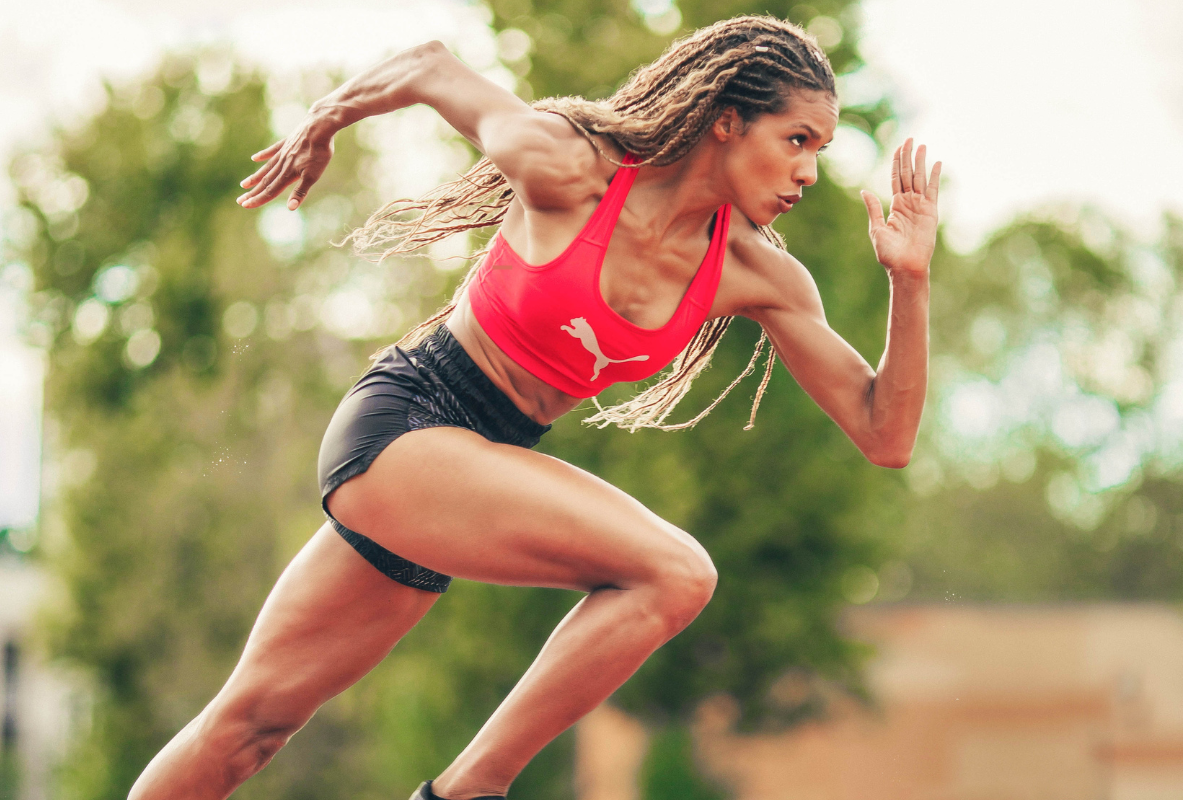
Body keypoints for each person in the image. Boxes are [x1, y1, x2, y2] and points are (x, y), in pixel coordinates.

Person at [128, 14, 939, 800]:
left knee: (250, 728)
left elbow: (885, 433)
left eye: (821, 152)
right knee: (675, 572)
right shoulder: (573, 169)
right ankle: (470, 789)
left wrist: (909, 280)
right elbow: (430, 65)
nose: (809, 173)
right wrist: (325, 118)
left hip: (472, 466)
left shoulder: (758, 274)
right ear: (726, 120)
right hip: (408, 423)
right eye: (797, 141)